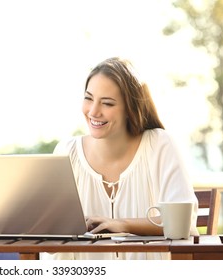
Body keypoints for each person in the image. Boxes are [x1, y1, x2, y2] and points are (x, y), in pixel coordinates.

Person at [40, 57, 198, 260]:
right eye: (89, 98)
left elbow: (183, 225)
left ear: (129, 109)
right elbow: (50, 240)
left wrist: (122, 224)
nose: (93, 111)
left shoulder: (159, 145)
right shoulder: (67, 151)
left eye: (107, 103)